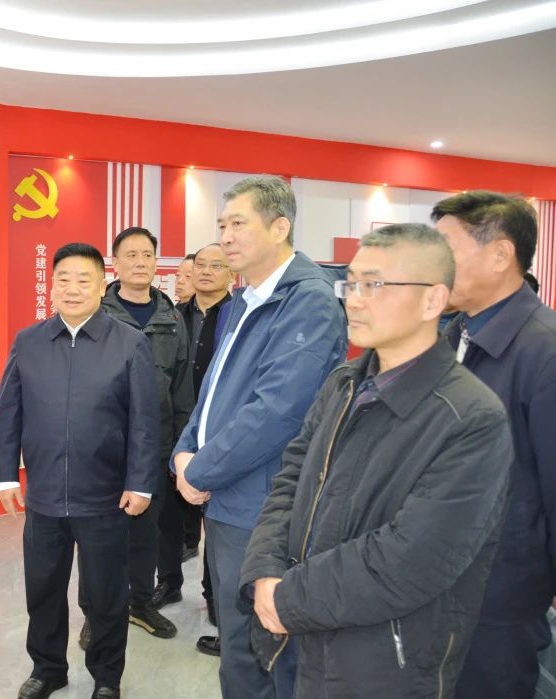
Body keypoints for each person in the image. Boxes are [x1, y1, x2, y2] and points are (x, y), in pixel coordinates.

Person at [240, 223, 513, 697]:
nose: (355, 300)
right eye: (350, 284)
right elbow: (291, 480)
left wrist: (287, 597)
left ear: (433, 300)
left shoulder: (471, 418)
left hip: (384, 663)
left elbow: (411, 560)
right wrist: (265, 570)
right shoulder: (344, 383)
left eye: (375, 285)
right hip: (300, 636)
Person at [171, 175, 347, 699]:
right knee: (237, 641)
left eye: (238, 224)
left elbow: (278, 412)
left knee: (262, 651)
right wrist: (184, 450)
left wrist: (201, 470)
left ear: (279, 226)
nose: (225, 236)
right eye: (221, 224)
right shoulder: (243, 299)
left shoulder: (308, 303)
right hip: (228, 496)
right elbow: (212, 392)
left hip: (263, 507)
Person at [0, 242, 159, 699]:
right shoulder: (29, 342)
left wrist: (141, 483)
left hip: (106, 496)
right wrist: (6, 475)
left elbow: (145, 421)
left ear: (102, 286)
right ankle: (48, 669)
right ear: (51, 286)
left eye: (84, 280)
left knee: (106, 594)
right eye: (63, 279)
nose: (72, 288)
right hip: (44, 495)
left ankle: (106, 676)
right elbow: (9, 411)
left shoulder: (129, 343)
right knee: (43, 588)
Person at [430, 191, 556, 699]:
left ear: (501, 255)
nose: (435, 265)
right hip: (441, 572)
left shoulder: (544, 350)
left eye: (447, 250)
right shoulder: (456, 333)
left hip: (501, 588)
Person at [74, 227, 193, 649]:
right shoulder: (96, 313)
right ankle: (95, 612)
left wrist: (180, 448)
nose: (140, 262)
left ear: (156, 263)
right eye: (131, 254)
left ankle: (139, 603)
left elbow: (182, 389)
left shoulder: (171, 318)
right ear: (115, 263)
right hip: (103, 449)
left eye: (147, 255)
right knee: (97, 538)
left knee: (145, 535)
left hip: (153, 448)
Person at [155, 243, 233, 653]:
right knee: (168, 513)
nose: (205, 272)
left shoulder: (239, 315)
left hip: (221, 431)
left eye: (215, 265)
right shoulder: (173, 316)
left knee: (215, 520)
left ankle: (215, 597)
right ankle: (168, 582)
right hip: (176, 428)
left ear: (231, 273)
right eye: (200, 265)